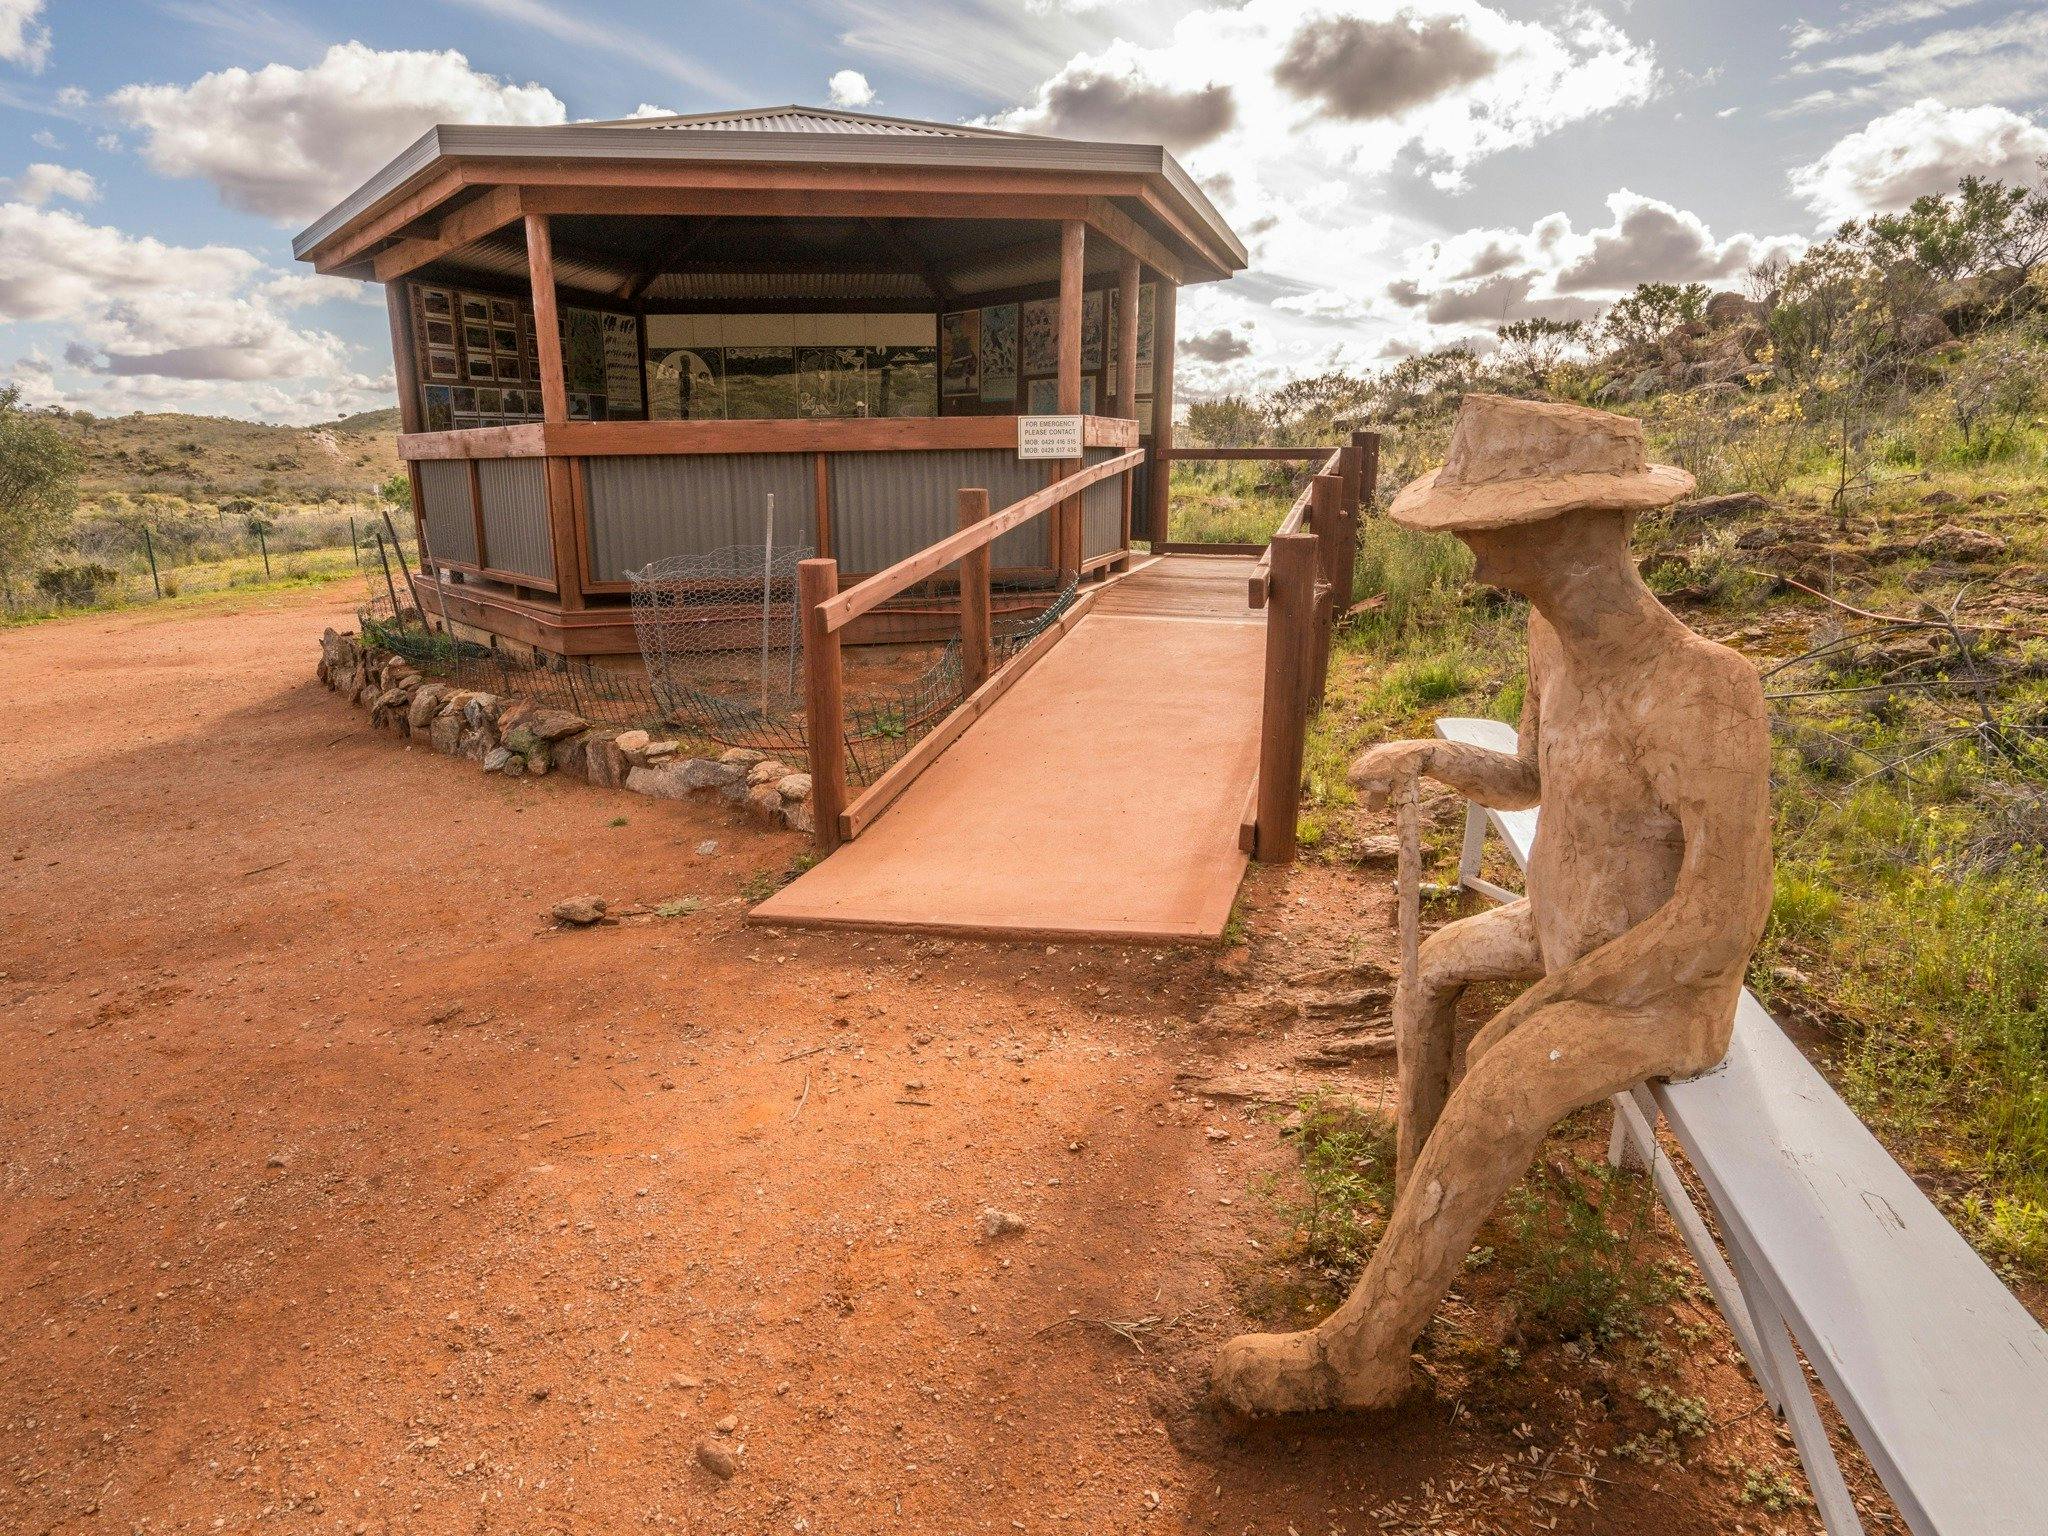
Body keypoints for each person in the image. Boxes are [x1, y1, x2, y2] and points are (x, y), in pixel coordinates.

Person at [1214, 394, 1774, 1414]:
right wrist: (1429, 758)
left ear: (1569, 526)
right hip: (1560, 931)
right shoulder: (1549, 641)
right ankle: (1418, 1196)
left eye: (1488, 520)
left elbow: (1719, 921)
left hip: (1663, 991)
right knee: (1432, 970)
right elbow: (1525, 778)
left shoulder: (1704, 690)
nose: (1466, 541)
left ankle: (1362, 1354)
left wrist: (1560, 1001)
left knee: (1505, 1079)